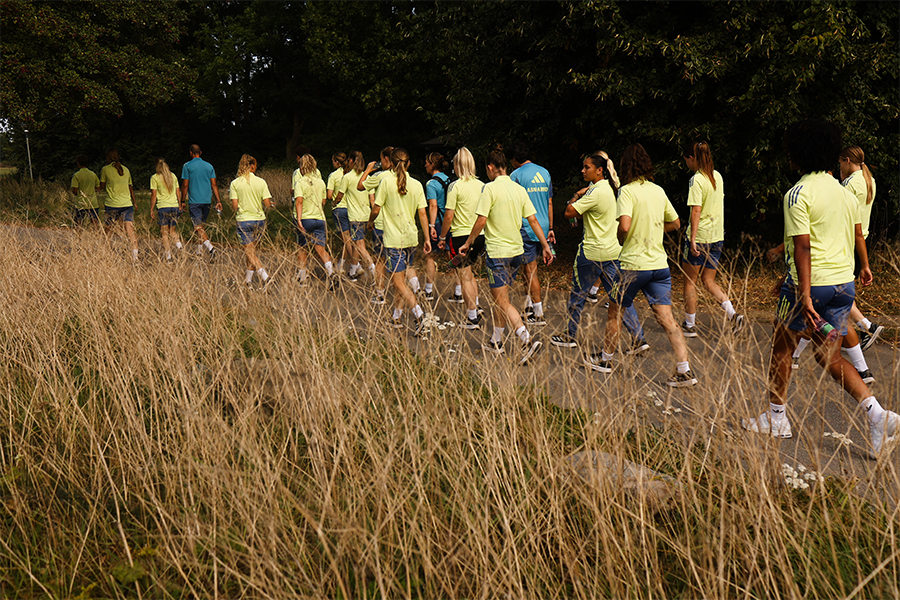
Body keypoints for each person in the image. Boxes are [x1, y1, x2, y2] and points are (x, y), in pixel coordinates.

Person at [742, 119, 897, 458]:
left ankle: (776, 418)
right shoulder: (845, 193)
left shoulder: (797, 194)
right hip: (843, 286)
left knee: (782, 350)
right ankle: (877, 415)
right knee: (829, 356)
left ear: (798, 153)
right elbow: (847, 237)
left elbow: (803, 247)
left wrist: (802, 292)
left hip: (812, 286)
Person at [598, 143, 695, 386]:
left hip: (633, 265)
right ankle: (684, 370)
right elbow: (675, 223)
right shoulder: (658, 190)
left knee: (615, 312)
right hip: (659, 265)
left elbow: (625, 226)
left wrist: (621, 237)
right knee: (667, 318)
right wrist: (654, 229)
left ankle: (605, 360)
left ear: (625, 166)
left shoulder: (626, 191)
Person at [550, 152, 648, 359]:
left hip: (592, 253)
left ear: (599, 170)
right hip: (612, 252)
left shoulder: (596, 192)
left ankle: (569, 334)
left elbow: (569, 212)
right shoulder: (612, 189)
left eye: (587, 167)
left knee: (578, 295)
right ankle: (638, 338)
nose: (583, 170)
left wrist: (577, 195)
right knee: (620, 297)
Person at [458, 149, 551, 365]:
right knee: (502, 300)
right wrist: (545, 245)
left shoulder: (489, 189)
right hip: (517, 253)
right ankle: (496, 341)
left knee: (502, 302)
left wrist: (468, 242)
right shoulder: (518, 189)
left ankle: (526, 340)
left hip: (498, 254)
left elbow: (481, 220)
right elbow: (533, 220)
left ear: (490, 167)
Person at [680, 141, 744, 337]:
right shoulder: (717, 176)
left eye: (686, 160)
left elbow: (696, 210)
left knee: (690, 282)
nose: (687, 164)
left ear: (692, 158)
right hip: (716, 237)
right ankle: (733, 314)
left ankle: (690, 325)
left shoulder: (696, 180)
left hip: (700, 237)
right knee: (709, 281)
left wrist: (692, 239)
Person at [367, 148, 431, 336]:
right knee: (401, 279)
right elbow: (422, 214)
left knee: (397, 282)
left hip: (394, 240)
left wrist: (370, 222)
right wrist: (427, 238)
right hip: (411, 238)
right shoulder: (417, 184)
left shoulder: (386, 183)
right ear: (408, 163)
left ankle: (419, 315)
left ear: (391, 164)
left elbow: (376, 208)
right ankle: (396, 316)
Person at [359, 146, 422, 305]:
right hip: (406, 229)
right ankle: (416, 288)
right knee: (406, 264)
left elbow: (361, 186)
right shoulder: (411, 181)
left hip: (384, 226)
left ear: (388, 160)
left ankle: (380, 293)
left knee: (380, 261)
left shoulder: (381, 177)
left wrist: (368, 170)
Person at [839, 145, 883, 351]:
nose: (839, 166)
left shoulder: (849, 184)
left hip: (848, 241)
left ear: (847, 161)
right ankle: (863, 328)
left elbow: (840, 213)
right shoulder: (869, 180)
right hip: (861, 240)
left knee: (837, 290)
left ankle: (866, 327)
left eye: (840, 162)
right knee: (841, 290)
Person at [439, 147, 486, 329]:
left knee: (464, 276)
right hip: (479, 235)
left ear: (457, 165)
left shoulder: (455, 186)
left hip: (461, 236)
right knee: (470, 274)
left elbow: (449, 216)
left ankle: (472, 317)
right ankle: (476, 305)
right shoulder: (482, 185)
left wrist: (442, 236)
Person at [509, 142, 554, 326]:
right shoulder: (544, 172)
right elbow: (549, 202)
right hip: (543, 225)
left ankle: (538, 313)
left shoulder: (515, 175)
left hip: (527, 226)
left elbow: (512, 203)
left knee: (530, 270)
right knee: (527, 267)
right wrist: (551, 228)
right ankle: (528, 305)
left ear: (514, 159)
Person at [229, 154, 273, 289]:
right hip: (259, 220)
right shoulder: (261, 182)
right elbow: (267, 204)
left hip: (244, 220)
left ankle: (265, 277)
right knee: (252, 251)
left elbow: (235, 205)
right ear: (252, 166)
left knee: (249, 252)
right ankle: (248, 281)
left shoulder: (235, 183)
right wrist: (270, 204)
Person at [293, 153, 336, 287]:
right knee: (321, 249)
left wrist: (299, 219)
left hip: (306, 218)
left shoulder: (300, 182)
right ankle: (331, 272)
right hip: (320, 218)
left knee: (302, 248)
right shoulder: (321, 182)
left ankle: (302, 278)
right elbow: (323, 201)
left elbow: (299, 201)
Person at [335, 151, 375, 281]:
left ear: (351, 161)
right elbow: (372, 199)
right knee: (358, 244)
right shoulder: (367, 177)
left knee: (360, 246)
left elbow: (340, 196)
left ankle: (374, 272)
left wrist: (334, 203)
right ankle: (352, 271)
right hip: (366, 215)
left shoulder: (347, 177)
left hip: (355, 217)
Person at [180, 144, 221, 258]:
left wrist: (182, 200)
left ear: (191, 153)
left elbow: (185, 184)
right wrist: (218, 200)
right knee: (201, 226)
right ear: (200, 153)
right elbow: (214, 184)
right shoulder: (209, 166)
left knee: (197, 227)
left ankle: (211, 248)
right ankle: (199, 251)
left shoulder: (187, 166)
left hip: (195, 200)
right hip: (207, 200)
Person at [99, 149, 139, 262]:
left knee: (108, 230)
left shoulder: (105, 169)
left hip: (112, 204)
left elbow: (102, 185)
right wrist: (134, 202)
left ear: (108, 157)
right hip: (127, 203)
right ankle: (135, 256)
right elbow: (130, 187)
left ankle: (106, 254)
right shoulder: (126, 169)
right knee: (130, 229)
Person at [423, 152, 451, 301]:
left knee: (430, 256)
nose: (425, 165)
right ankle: (459, 291)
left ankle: (428, 291)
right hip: (450, 222)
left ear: (432, 165)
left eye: (427, 162)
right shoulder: (449, 180)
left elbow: (433, 205)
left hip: (439, 221)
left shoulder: (431, 184)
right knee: (451, 255)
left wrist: (431, 225)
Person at [149, 157, 184, 262]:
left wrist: (151, 209)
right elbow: (178, 192)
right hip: (174, 206)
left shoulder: (155, 177)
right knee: (172, 231)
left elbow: (154, 195)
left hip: (163, 207)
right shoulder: (172, 176)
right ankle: (180, 247)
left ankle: (168, 256)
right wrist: (180, 205)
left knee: (164, 233)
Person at [326, 152, 354, 274]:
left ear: (336, 162)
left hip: (339, 209)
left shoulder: (333, 176)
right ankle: (341, 265)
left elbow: (329, 195)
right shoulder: (350, 174)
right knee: (347, 240)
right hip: (352, 209)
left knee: (346, 240)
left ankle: (356, 264)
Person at [70, 155, 100, 226]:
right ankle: (96, 233)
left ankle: (79, 233)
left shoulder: (76, 175)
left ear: (78, 163)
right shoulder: (93, 174)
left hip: (81, 203)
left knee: (79, 222)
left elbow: (75, 190)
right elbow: (98, 188)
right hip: (92, 202)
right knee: (94, 223)